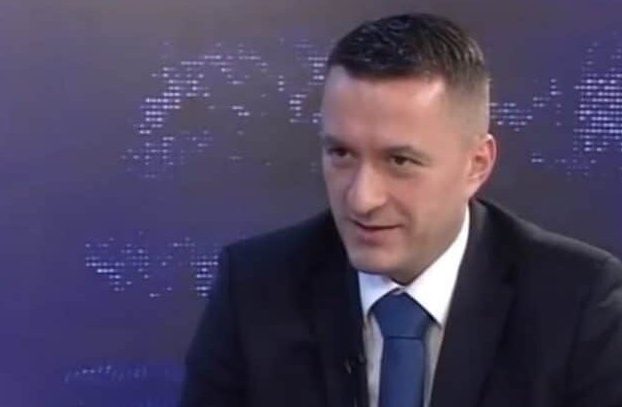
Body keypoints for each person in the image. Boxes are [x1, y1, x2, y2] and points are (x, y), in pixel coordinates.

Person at [180, 13, 622, 407]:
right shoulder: (255, 288)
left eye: (400, 161)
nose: (362, 199)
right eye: (341, 154)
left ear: (476, 165)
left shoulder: (577, 301)